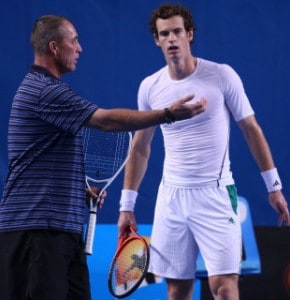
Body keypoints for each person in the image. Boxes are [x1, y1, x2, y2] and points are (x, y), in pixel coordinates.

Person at [0, 15, 207, 300]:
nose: (80, 48)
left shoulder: (46, 90)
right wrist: (167, 114)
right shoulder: (44, 91)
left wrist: (78, 191)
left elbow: (41, 157)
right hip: (36, 232)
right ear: (54, 47)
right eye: (74, 41)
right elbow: (106, 121)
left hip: (60, 229)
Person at [117, 3, 290, 300]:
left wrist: (274, 187)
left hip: (217, 195)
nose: (172, 39)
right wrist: (126, 205)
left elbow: (251, 129)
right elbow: (141, 147)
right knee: (177, 289)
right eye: (164, 34)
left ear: (189, 34)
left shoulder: (222, 76)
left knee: (223, 287)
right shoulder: (149, 87)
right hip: (171, 198)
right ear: (157, 40)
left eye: (177, 32)